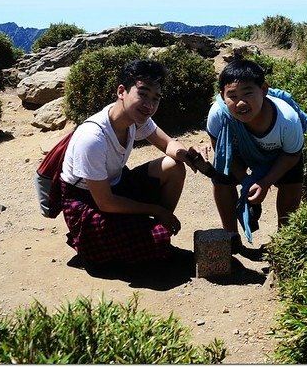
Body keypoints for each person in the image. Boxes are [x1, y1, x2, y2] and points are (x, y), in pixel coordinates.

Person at [59, 58, 204, 266]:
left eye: (156, 98)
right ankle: (144, 237)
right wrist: (156, 210)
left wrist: (187, 155)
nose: (149, 105)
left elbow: (168, 144)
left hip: (117, 186)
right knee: (147, 251)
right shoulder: (93, 138)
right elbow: (105, 202)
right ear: (121, 92)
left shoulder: (135, 119)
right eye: (143, 94)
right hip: (88, 202)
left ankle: (154, 232)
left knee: (174, 167)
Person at [206, 59, 307, 250]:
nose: (240, 103)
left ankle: (285, 240)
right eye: (232, 95)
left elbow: (291, 156)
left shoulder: (287, 120)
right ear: (222, 96)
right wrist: (244, 179)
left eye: (248, 93)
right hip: (238, 152)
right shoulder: (219, 115)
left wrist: (264, 183)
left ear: (263, 89)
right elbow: (219, 149)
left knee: (292, 182)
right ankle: (231, 236)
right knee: (221, 176)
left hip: (280, 155)